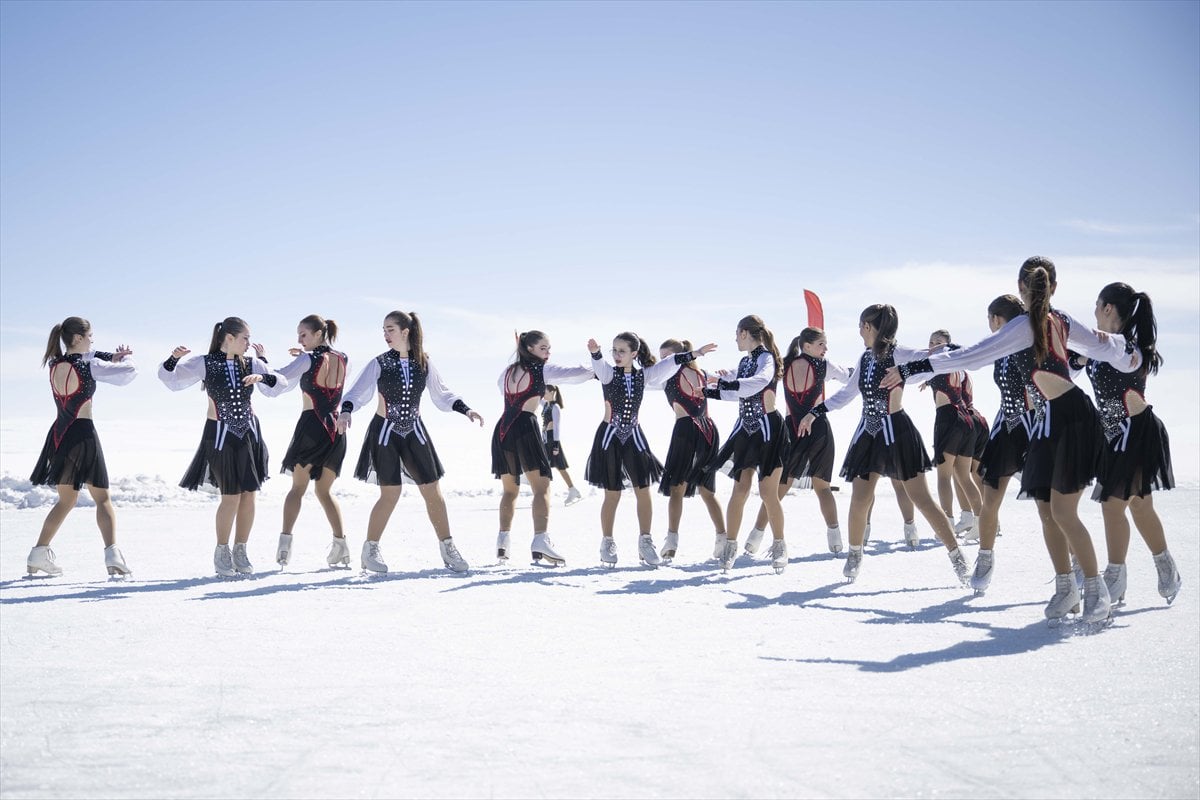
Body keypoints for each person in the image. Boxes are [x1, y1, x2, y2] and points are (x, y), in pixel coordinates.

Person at [884, 257, 1142, 625]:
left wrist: (910, 368)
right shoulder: (1059, 320)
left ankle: (1094, 589)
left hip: (1068, 418)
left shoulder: (1031, 324)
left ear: (1022, 288)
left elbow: (971, 357)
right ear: (1053, 287)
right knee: (1050, 512)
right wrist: (1134, 354)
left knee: (1062, 513)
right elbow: (1106, 346)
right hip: (1051, 421)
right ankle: (1066, 587)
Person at [798, 304, 971, 587]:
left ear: (868, 326)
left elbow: (944, 353)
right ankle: (855, 553)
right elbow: (847, 393)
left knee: (922, 498)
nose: (858, 331)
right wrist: (815, 412)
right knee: (860, 497)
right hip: (868, 434)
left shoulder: (899, 353)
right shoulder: (865, 358)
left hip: (897, 432)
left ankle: (956, 555)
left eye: (860, 326)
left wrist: (931, 356)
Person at [338, 310, 483, 574]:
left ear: (405, 331)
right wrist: (346, 412)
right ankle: (370, 549)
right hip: (385, 432)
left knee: (433, 491)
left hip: (415, 432)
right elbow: (356, 392)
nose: (385, 334)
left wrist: (466, 410)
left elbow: (442, 393)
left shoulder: (423, 362)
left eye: (390, 329)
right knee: (390, 493)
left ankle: (448, 547)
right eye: (383, 330)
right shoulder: (379, 362)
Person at [159, 316, 289, 577]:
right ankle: (221, 551)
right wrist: (173, 358)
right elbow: (169, 378)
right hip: (219, 435)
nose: (248, 343)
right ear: (229, 337)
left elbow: (280, 383)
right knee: (230, 496)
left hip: (249, 434)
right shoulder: (205, 363)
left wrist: (262, 377)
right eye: (245, 338)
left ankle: (241, 550)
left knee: (249, 494)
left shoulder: (251, 362)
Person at [1082, 282, 1181, 606]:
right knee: (1139, 505)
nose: (1094, 312)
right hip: (1113, 435)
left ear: (1108, 308)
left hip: (1136, 432)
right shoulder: (1101, 347)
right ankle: (1166, 567)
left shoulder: (1128, 349)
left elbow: (1114, 353)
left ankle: (1115, 577)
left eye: (1097, 306)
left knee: (1113, 505)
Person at [586, 332, 716, 567]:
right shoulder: (608, 373)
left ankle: (645, 542)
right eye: (614, 350)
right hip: (609, 437)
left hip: (634, 436)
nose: (616, 355)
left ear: (634, 353)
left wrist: (694, 354)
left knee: (643, 489)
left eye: (622, 351)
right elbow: (598, 364)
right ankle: (607, 542)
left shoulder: (643, 376)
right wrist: (595, 352)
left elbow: (669, 363)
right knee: (612, 493)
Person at [27, 317, 136, 578]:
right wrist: (125, 358)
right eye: (90, 336)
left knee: (66, 500)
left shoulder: (55, 363)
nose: (92, 341)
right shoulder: (89, 366)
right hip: (83, 433)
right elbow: (127, 374)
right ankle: (113, 556)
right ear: (78, 338)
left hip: (59, 435)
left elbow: (85, 355)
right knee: (103, 498)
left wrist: (109, 355)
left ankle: (38, 553)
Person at [744, 327, 851, 557]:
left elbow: (759, 380)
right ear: (807, 346)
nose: (826, 348)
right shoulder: (824, 365)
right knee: (822, 487)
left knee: (778, 489)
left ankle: (754, 537)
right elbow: (849, 377)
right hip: (818, 428)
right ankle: (835, 539)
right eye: (822, 344)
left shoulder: (783, 364)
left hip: (791, 430)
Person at [492, 331, 594, 566]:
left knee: (510, 490)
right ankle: (540, 540)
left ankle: (502, 542)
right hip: (525, 426)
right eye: (543, 348)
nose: (548, 353)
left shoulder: (507, 372)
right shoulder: (542, 370)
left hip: (503, 428)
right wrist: (598, 370)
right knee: (542, 487)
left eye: (549, 348)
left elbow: (502, 389)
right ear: (530, 348)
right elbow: (574, 373)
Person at [959, 295, 1034, 594]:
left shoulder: (1030, 343)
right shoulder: (1000, 348)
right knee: (990, 498)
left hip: (1033, 426)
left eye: (989, 320)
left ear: (996, 319)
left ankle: (1076, 563)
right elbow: (971, 355)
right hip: (1005, 428)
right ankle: (985, 557)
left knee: (1050, 505)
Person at [704, 315, 789, 574]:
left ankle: (779, 545)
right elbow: (737, 393)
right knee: (739, 490)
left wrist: (723, 382)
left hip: (768, 430)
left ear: (744, 333)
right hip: (745, 430)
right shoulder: (744, 362)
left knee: (767, 492)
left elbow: (757, 383)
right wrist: (707, 389)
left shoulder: (766, 359)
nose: (735, 340)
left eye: (736, 334)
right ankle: (730, 545)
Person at [274, 314, 350, 568]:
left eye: (303, 334)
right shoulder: (343, 357)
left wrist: (261, 364)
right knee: (324, 491)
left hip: (311, 426)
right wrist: (304, 356)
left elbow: (281, 376)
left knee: (298, 488)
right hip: (336, 430)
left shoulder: (308, 359)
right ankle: (341, 546)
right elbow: (324, 363)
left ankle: (284, 545)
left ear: (318, 334)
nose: (299, 339)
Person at [655, 338, 727, 562]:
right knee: (703, 490)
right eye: (661, 358)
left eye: (667, 357)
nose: (663, 362)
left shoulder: (669, 375)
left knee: (679, 488)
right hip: (709, 430)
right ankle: (721, 538)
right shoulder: (700, 373)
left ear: (678, 356)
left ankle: (673, 542)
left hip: (687, 429)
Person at [921, 330, 983, 544]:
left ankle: (946, 525)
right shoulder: (957, 366)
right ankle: (982, 521)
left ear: (947, 345)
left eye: (939, 342)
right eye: (931, 342)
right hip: (966, 419)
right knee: (964, 476)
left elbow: (917, 370)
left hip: (948, 418)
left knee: (944, 476)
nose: (933, 346)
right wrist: (928, 381)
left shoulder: (937, 362)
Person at [541, 385, 583, 507]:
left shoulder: (555, 407)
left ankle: (544, 495)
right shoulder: (546, 405)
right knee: (551, 467)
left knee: (558, 466)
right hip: (545, 439)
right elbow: (537, 398)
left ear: (552, 392)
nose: (543, 394)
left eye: (545, 392)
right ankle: (571, 490)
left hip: (552, 440)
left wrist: (556, 445)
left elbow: (557, 427)